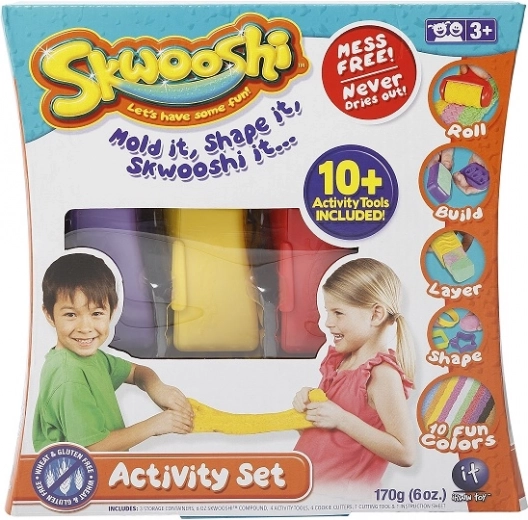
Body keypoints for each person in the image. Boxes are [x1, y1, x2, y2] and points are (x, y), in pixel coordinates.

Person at [33, 252, 194, 452]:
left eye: (96, 313)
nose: (85, 327)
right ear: (49, 315)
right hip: (84, 470)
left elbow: (136, 372)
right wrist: (154, 426)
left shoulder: (89, 357)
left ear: (112, 310)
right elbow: (93, 448)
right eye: (71, 314)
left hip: (107, 467)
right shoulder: (68, 377)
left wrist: (157, 388)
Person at [293, 258, 415, 492]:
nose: (327, 323)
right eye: (328, 312)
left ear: (375, 315)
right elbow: (329, 440)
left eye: (338, 313)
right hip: (309, 493)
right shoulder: (339, 364)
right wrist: (308, 412)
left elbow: (405, 453)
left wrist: (341, 419)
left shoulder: (381, 375)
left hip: (345, 500)